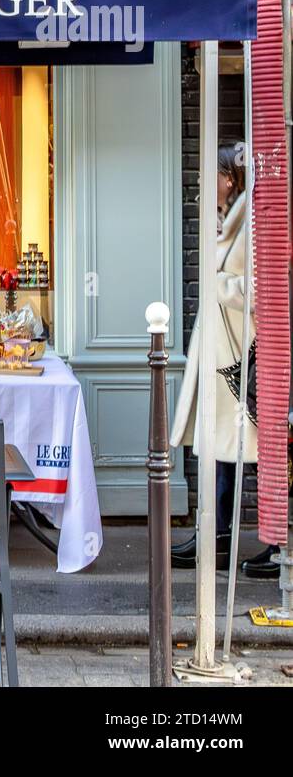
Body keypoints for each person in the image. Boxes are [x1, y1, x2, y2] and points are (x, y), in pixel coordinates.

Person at [170, 143, 265, 573]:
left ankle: (269, 543)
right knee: (219, 449)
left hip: (239, 356)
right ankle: (215, 538)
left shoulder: (252, 223)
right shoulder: (226, 220)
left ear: (229, 179)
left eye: (211, 176)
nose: (203, 183)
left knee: (249, 451)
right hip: (220, 355)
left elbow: (257, 288)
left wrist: (217, 283)